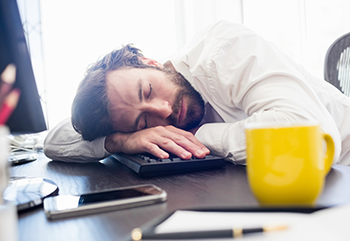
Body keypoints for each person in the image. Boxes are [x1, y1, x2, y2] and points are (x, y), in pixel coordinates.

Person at [44, 20, 350, 166]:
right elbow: (54, 140)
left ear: (150, 62)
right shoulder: (133, 123)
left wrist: (201, 136)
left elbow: (313, 140)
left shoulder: (224, 49)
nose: (162, 111)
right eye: (143, 122)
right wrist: (122, 140)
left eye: (147, 90)